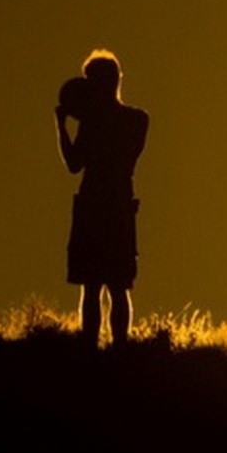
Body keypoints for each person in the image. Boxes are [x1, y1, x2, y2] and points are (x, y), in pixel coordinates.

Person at [55, 49, 149, 348]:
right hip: (119, 206)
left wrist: (61, 126)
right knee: (118, 285)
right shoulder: (137, 120)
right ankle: (118, 348)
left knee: (93, 285)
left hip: (95, 205)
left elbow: (73, 164)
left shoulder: (95, 124)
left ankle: (90, 348)